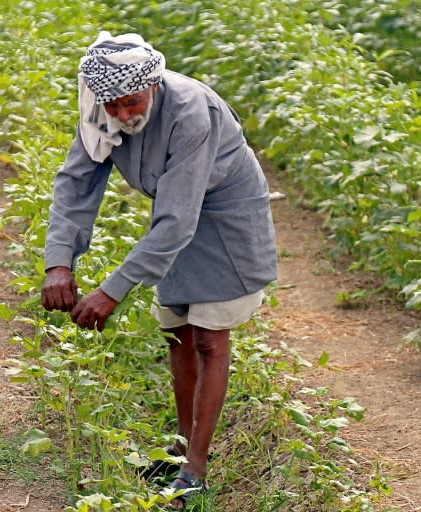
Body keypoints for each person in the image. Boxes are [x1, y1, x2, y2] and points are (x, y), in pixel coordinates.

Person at [41, 31, 277, 508]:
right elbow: (75, 185)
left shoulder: (191, 111)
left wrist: (111, 289)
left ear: (152, 85)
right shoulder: (101, 108)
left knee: (209, 336)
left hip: (225, 218)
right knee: (177, 332)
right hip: (176, 214)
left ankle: (196, 469)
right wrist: (58, 263)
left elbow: (177, 221)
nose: (125, 115)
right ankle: (180, 447)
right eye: (115, 107)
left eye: (133, 102)